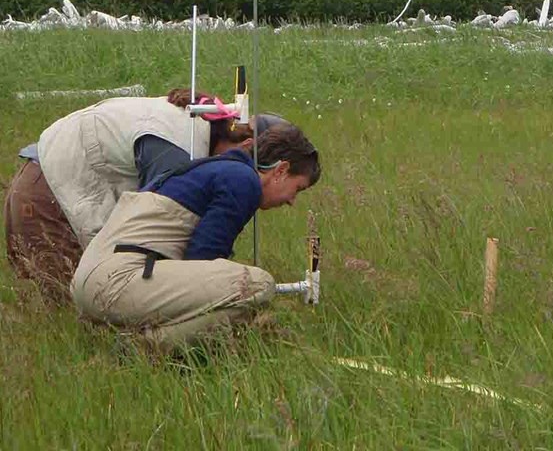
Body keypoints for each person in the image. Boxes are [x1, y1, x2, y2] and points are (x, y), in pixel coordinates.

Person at [3, 87, 287, 302]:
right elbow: (156, 236)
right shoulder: (177, 151)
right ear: (246, 145)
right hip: (49, 198)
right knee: (92, 307)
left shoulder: (192, 129)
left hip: (45, 181)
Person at [71, 123, 320, 351]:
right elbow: (201, 260)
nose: (291, 201)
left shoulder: (214, 169)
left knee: (237, 303)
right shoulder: (243, 181)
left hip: (91, 278)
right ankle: (140, 348)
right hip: (120, 280)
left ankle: (123, 335)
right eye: (297, 189)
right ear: (281, 170)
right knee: (256, 286)